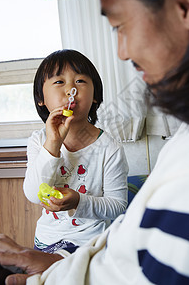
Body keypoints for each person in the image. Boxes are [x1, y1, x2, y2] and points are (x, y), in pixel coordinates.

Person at [0, 0, 189, 284]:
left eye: (121, 25)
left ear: (183, 3)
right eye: (58, 82)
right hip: (57, 250)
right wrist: (56, 264)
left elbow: (121, 226)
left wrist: (58, 264)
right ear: (40, 98)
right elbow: (122, 253)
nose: (122, 52)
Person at [23, 49, 128, 254]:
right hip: (47, 240)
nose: (71, 89)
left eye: (80, 81)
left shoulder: (110, 149)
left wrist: (79, 201)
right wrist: (53, 143)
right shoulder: (38, 141)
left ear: (95, 96)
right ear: (40, 98)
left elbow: (118, 206)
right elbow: (34, 195)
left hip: (90, 243)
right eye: (59, 82)